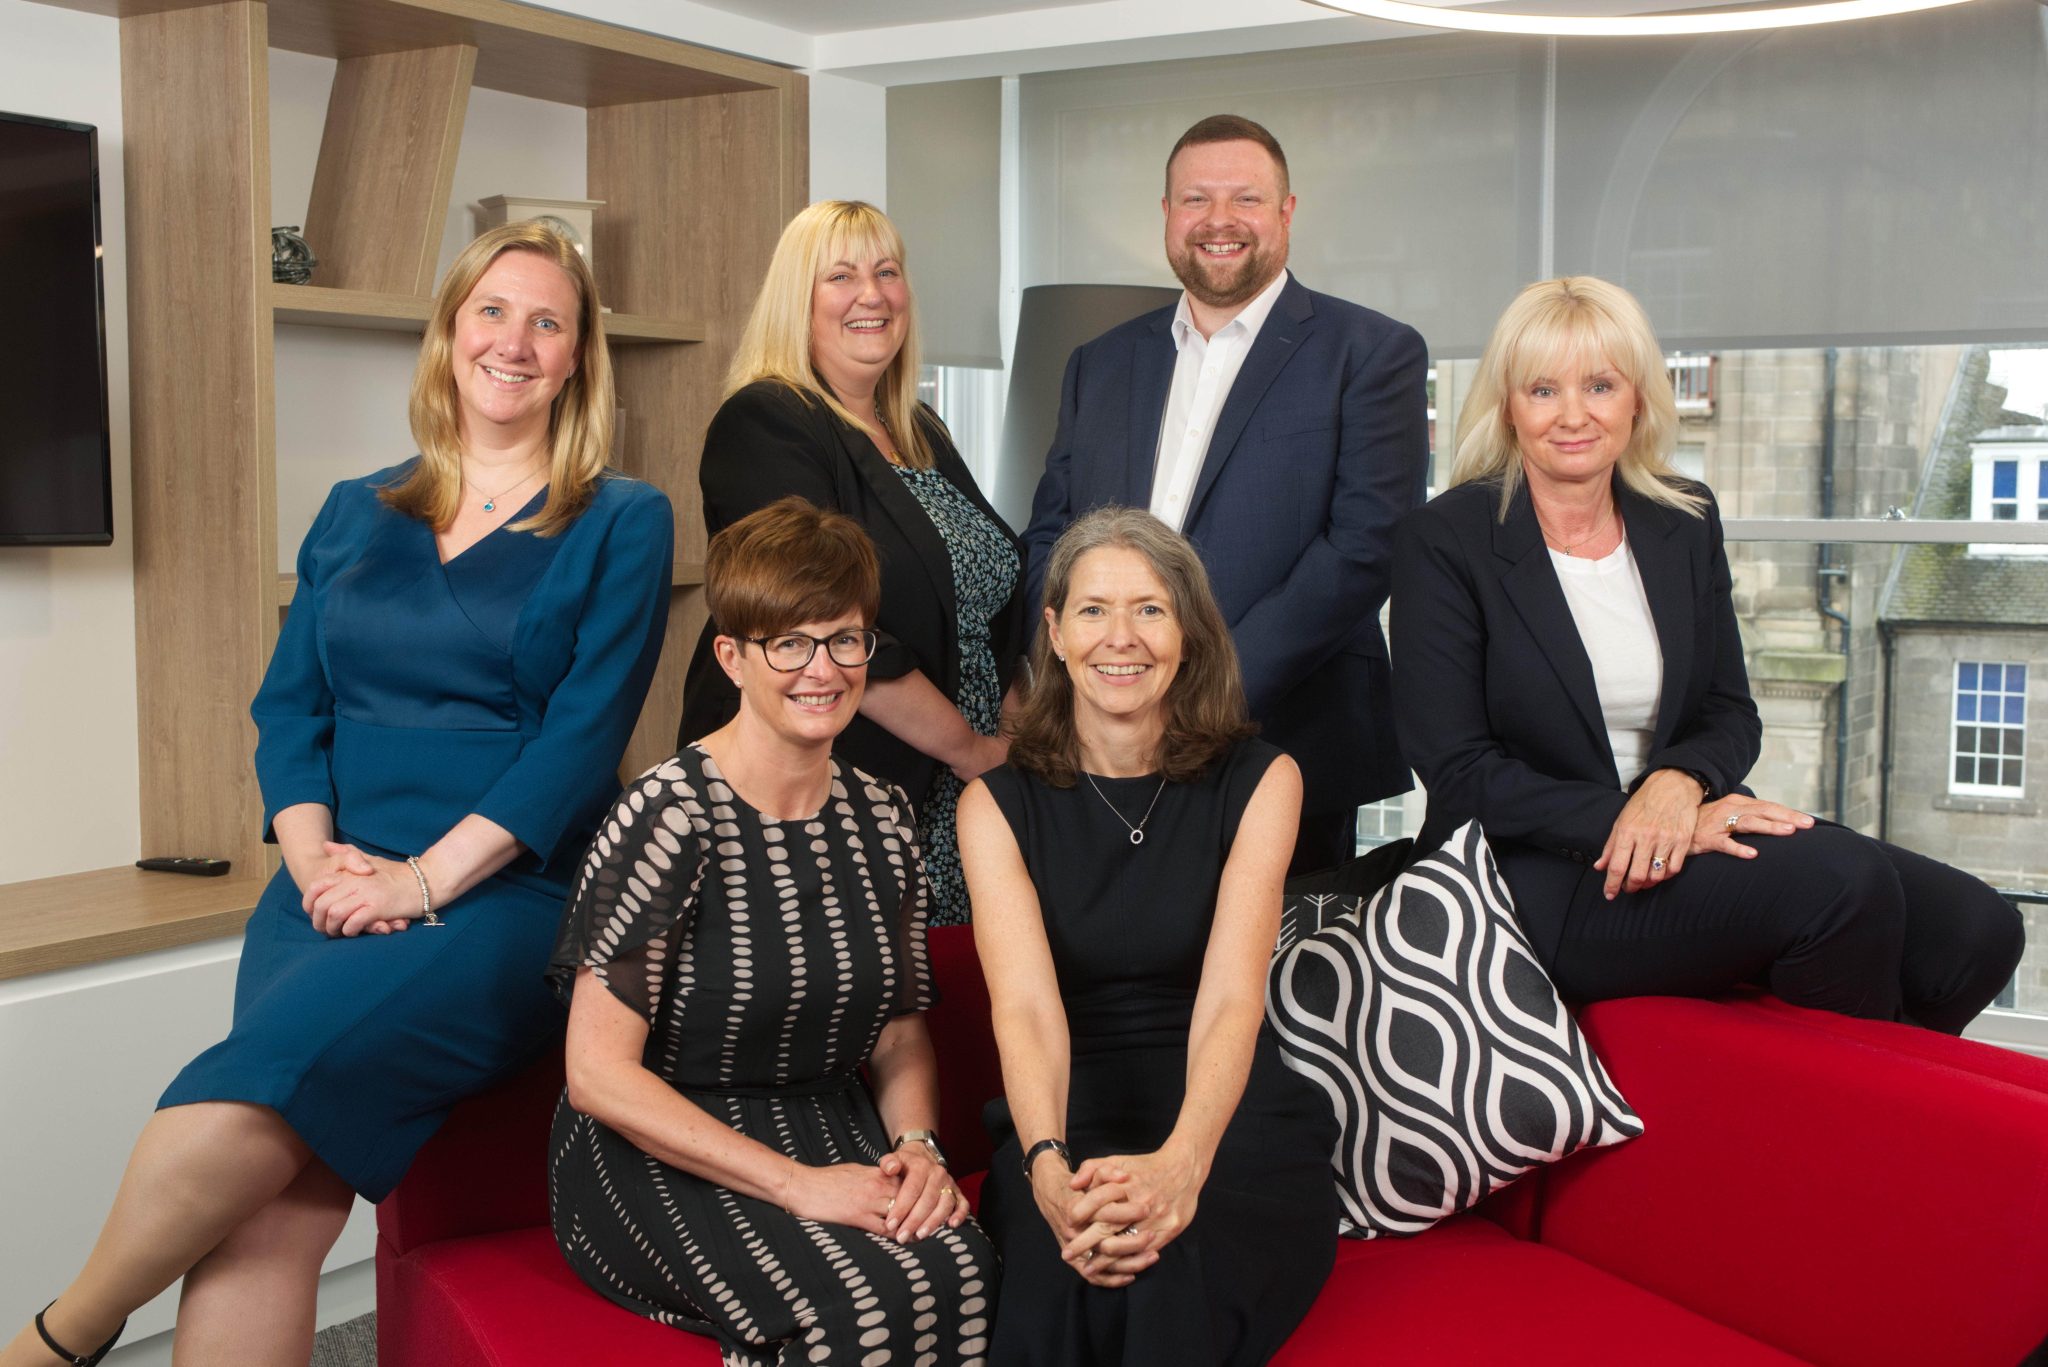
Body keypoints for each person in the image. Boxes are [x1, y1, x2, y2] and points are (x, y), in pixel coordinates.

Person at [3, 221, 672, 1367]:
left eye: (546, 322)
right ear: (448, 333)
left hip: (500, 897)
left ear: (576, 359)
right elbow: (289, 707)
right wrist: (313, 859)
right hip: (323, 884)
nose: (513, 341)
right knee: (271, 1217)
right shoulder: (354, 508)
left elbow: (579, 743)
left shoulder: (623, 517)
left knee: (255, 1094)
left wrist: (419, 882)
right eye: (491, 311)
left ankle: (58, 1337)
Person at [1391, 275, 2023, 1032]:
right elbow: (1459, 771)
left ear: (1637, 398)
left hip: (1681, 820)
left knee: (1976, 929)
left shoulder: (1682, 519)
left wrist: (1679, 782)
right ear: (1507, 405)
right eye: (1543, 390)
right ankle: (1850, 1105)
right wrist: (1647, 820)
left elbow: (1729, 710)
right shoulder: (1446, 539)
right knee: (1842, 886)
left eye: (1600, 385)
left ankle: (1852, 1083)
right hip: (1528, 870)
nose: (1574, 415)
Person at [552, 496, 997, 1366]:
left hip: (824, 1119)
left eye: (845, 639)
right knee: (865, 1304)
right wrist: (798, 1188)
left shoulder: (884, 816)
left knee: (966, 1276)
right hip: (660, 1143)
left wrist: (917, 1147)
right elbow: (597, 1076)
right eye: (789, 643)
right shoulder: (668, 817)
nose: (821, 669)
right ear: (733, 656)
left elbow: (899, 1033)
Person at [960, 507, 1338, 1367]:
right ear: (1055, 633)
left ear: (1188, 632)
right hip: (1067, 1111)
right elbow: (1025, 1010)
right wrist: (1047, 1166)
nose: (1120, 636)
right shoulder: (994, 804)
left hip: (1228, 1115)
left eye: (1150, 609)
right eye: (1093, 609)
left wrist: (1182, 1163)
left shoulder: (1263, 780)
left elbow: (1232, 998)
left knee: (1165, 1270)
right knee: (1067, 1273)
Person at [1020, 113, 1430, 877]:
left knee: (1280, 956)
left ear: (1286, 211)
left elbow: (1365, 547)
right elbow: (1052, 535)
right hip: (1103, 741)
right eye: (1195, 199)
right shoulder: (1099, 362)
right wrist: (1073, 677)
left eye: (1245, 198)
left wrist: (1203, 692)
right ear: (1167, 214)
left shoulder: (1371, 353)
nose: (1219, 220)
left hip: (1284, 736)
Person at [675, 200, 1026, 926]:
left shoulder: (919, 429)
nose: (872, 295)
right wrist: (969, 749)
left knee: (949, 988)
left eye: (887, 273)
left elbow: (989, 594)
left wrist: (1016, 720)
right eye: (841, 276)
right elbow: (815, 623)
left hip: (963, 793)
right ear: (797, 300)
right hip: (838, 786)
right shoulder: (767, 420)